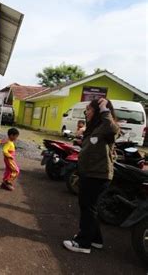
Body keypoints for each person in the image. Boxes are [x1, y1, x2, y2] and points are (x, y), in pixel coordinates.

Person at [63, 98, 119, 254]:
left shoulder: (107, 126)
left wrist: (104, 108)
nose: (86, 112)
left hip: (98, 175)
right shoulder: (96, 128)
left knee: (88, 207)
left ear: (99, 112)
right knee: (89, 207)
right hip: (90, 173)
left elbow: (112, 129)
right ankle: (95, 239)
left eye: (89, 109)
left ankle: (83, 243)